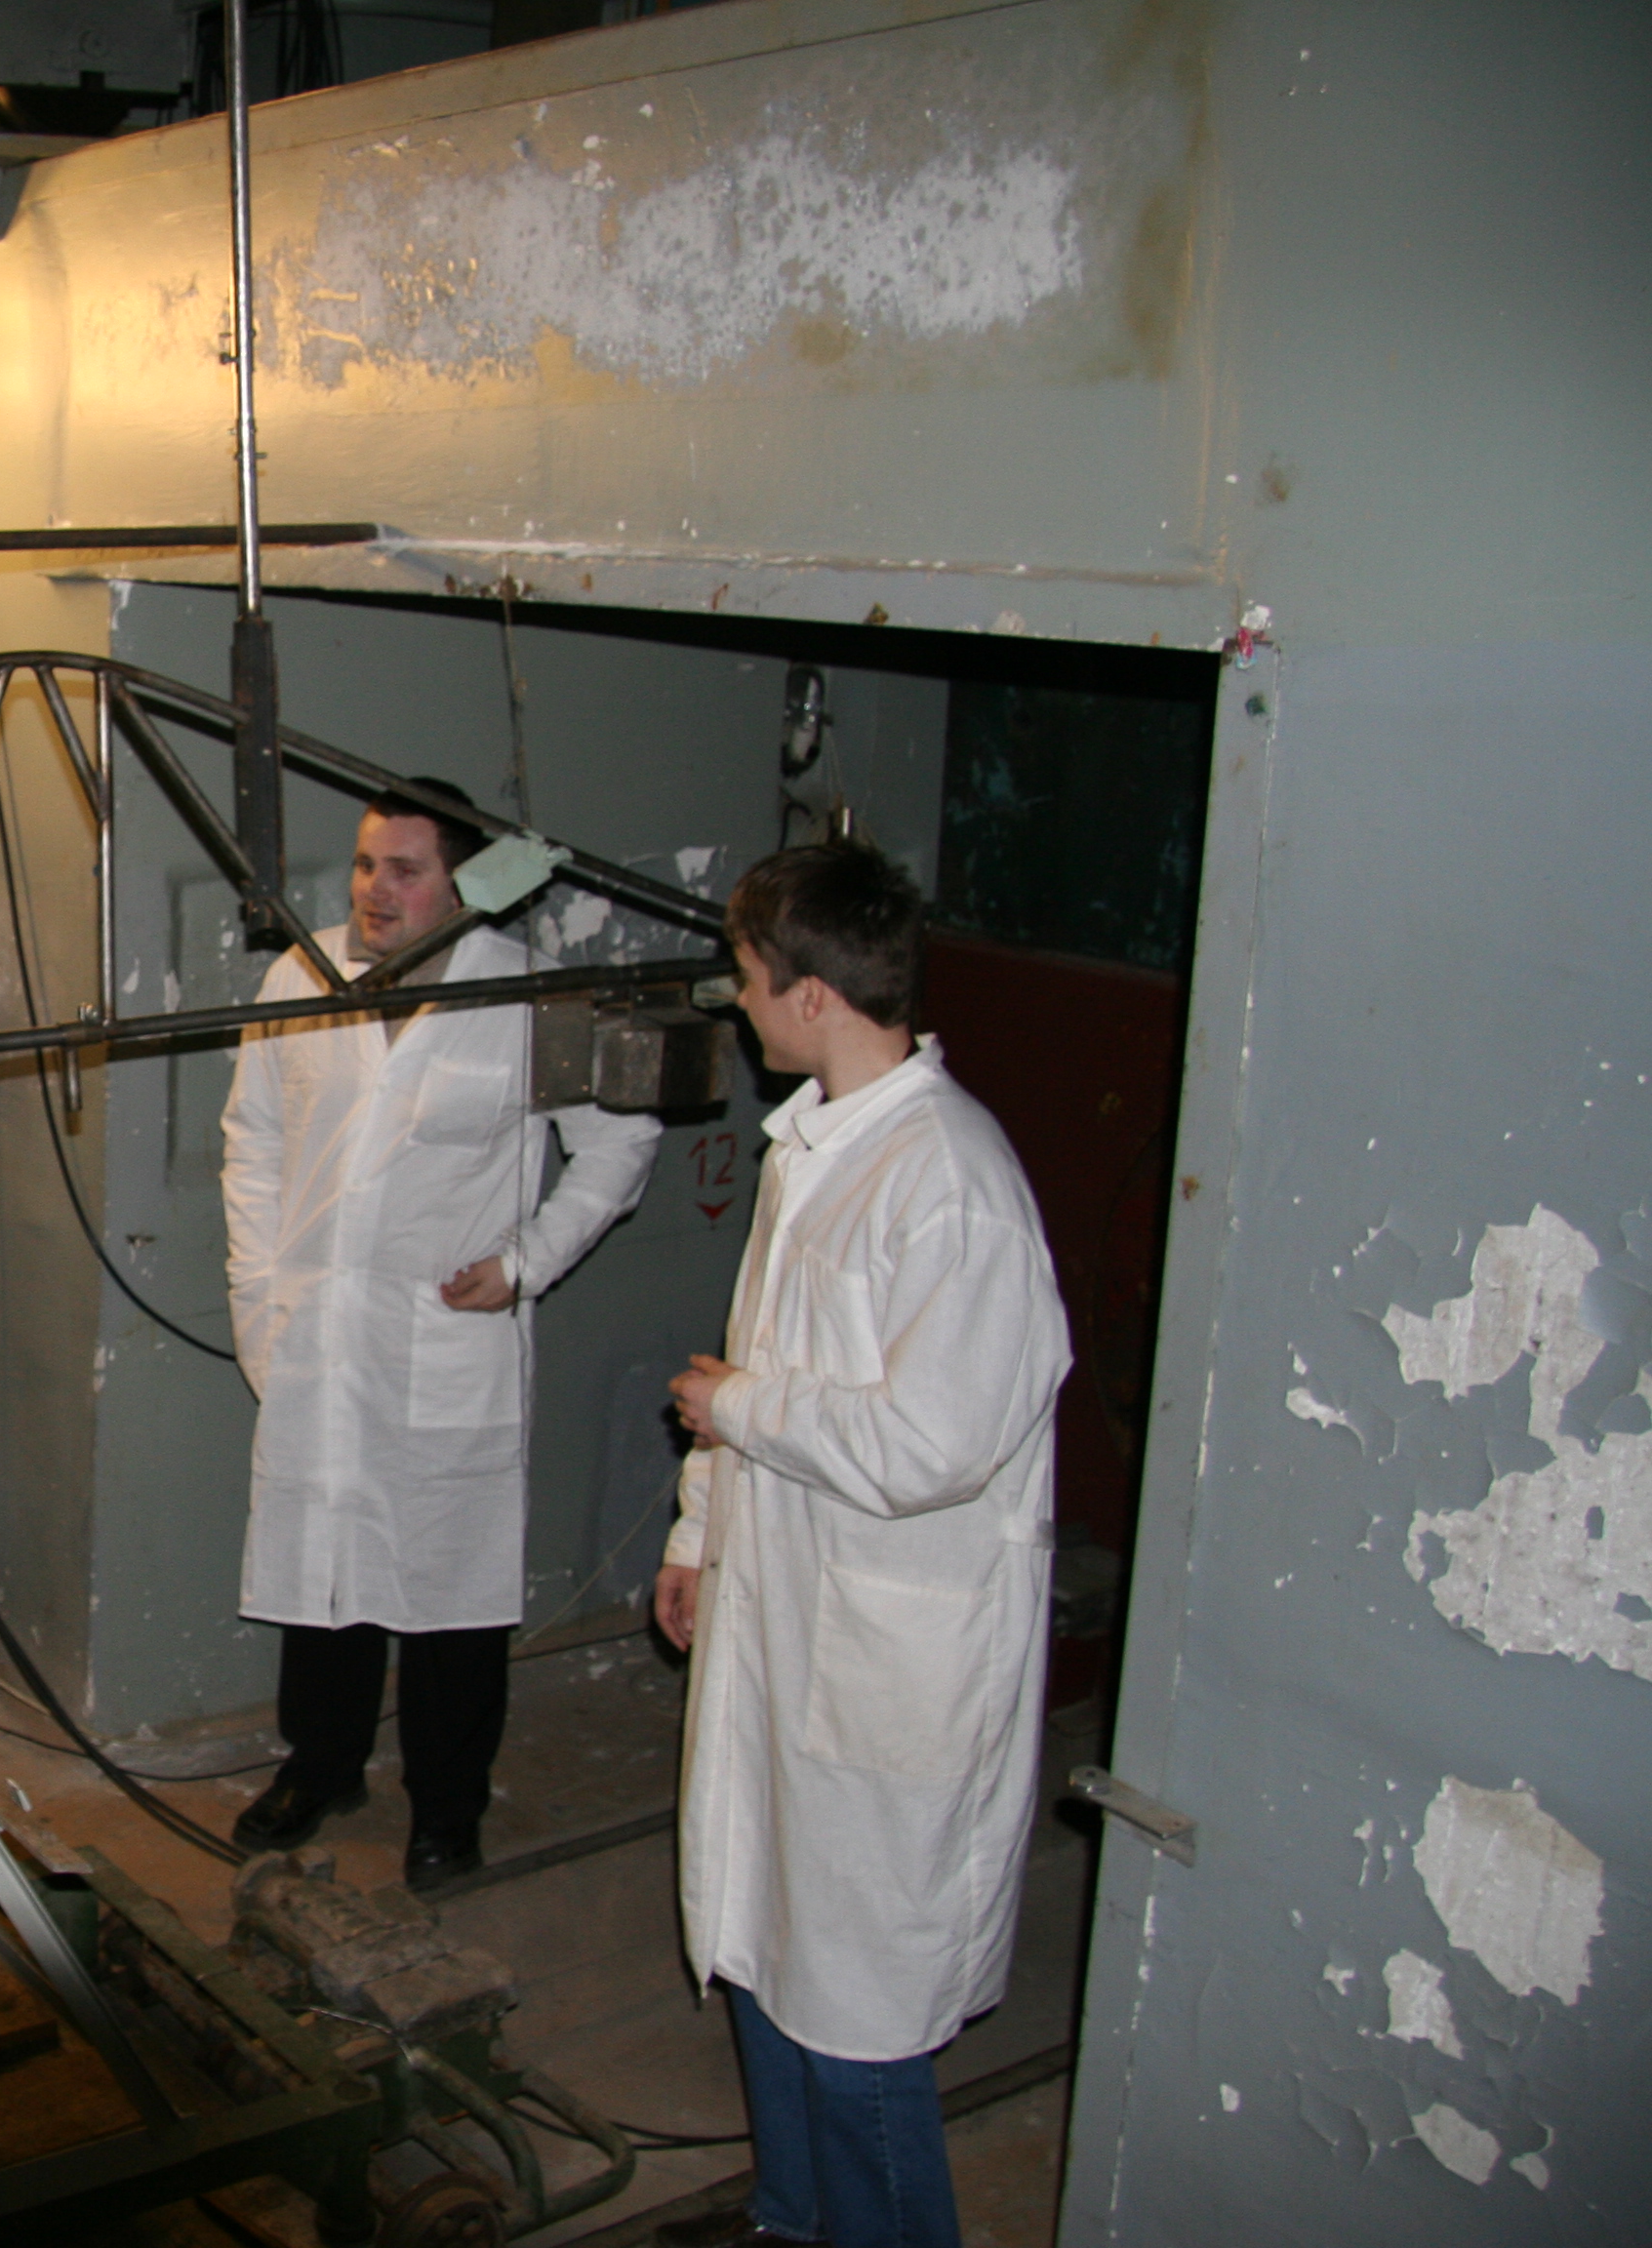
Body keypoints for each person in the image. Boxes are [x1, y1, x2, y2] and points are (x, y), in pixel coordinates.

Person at [652, 841, 1068, 2248]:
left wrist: (740, 1411)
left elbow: (930, 1444)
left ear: (814, 993)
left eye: (750, 977)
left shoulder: (950, 1183)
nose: (736, 997)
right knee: (768, 1947)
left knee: (859, 2011)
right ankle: (788, 2218)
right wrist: (702, 1526)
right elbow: (765, 1355)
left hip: (885, 1665)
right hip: (785, 1615)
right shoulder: (818, 1147)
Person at [221, 778, 663, 1888]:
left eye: (405, 869)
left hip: (443, 1340)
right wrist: (257, 1304)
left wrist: (524, 1265)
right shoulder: (300, 978)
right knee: (324, 1574)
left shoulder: (527, 999)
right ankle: (320, 1767)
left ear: (466, 886)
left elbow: (618, 1143)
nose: (375, 888)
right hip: (319, 1331)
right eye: (368, 863)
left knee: (451, 1596)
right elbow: (254, 1148)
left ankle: (447, 1807)